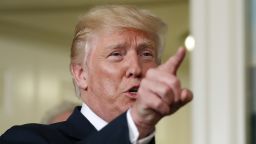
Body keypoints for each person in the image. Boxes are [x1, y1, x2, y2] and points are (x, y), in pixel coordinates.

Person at [0, 5, 193, 144]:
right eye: (116, 54)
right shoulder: (23, 138)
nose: (136, 68)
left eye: (146, 54)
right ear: (81, 74)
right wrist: (137, 123)